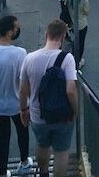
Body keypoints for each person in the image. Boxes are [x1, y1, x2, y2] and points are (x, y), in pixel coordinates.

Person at [19, 19, 78, 177]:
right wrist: (75, 111)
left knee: (42, 145)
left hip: (38, 115)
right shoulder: (67, 59)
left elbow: (23, 90)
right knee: (61, 151)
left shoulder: (29, 58)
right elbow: (71, 90)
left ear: (46, 35)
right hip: (62, 115)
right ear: (63, 37)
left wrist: (24, 110)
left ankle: (43, 173)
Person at [0, 16, 33, 177]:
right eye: (16, 28)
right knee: (23, 132)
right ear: (10, 32)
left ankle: (3, 172)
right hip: (17, 103)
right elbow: (24, 82)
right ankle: (24, 163)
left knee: (2, 138)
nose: (18, 30)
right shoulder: (20, 53)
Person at [67, 0, 89, 69]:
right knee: (81, 43)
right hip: (82, 25)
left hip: (73, 24)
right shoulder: (84, 1)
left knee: (75, 41)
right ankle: (78, 61)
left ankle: (73, 55)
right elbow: (86, 12)